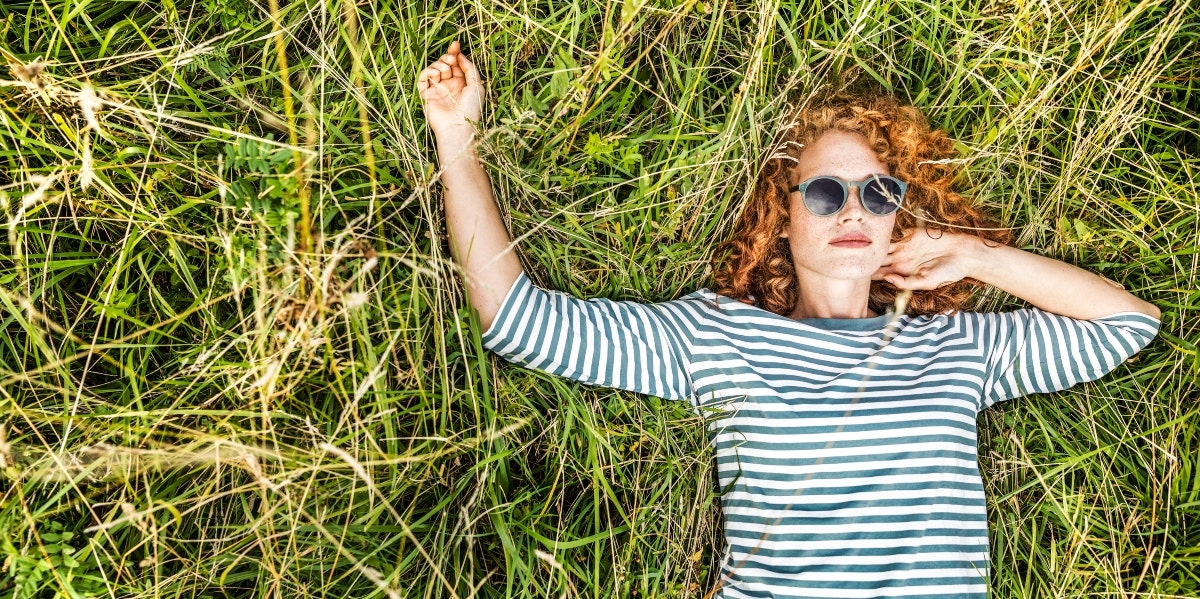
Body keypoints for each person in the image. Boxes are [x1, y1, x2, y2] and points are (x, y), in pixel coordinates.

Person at [418, 39, 1161, 599]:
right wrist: (457, 138)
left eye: (878, 193)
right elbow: (518, 318)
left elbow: (1128, 323)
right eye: (826, 192)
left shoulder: (957, 346)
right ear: (783, 215)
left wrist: (974, 255)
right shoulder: (718, 336)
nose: (852, 211)